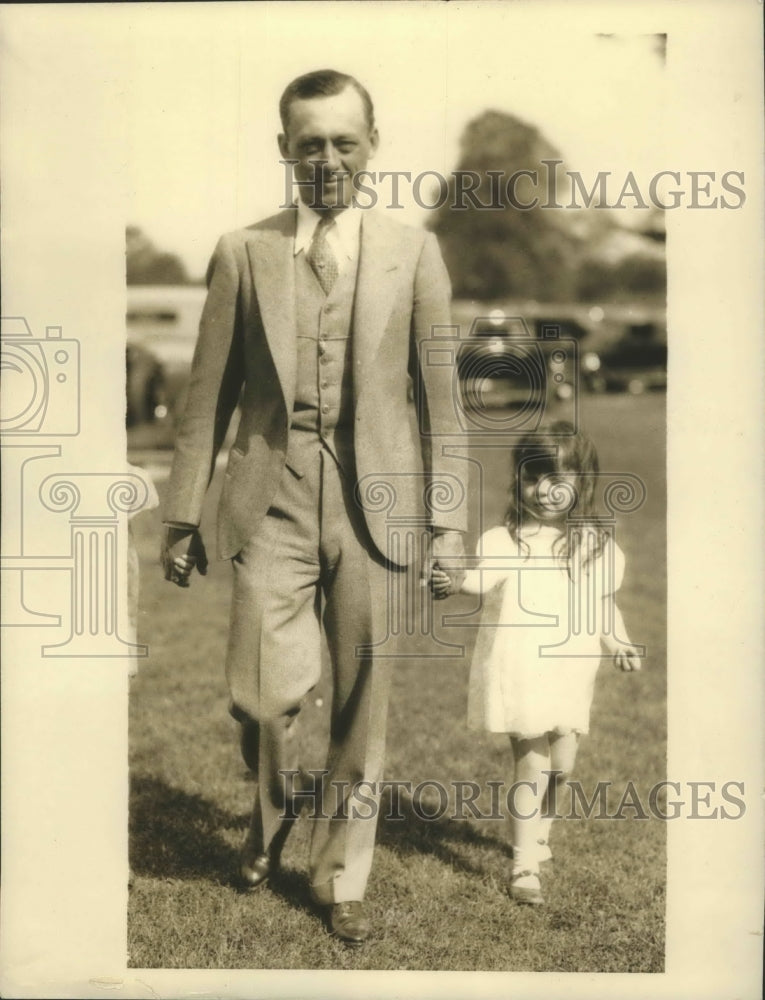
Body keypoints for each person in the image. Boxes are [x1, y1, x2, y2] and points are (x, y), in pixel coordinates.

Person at [160, 69, 466, 944]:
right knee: (259, 698)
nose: (326, 160)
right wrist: (182, 517)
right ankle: (268, 822)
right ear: (282, 149)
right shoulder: (241, 252)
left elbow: (440, 406)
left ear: (372, 145)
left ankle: (340, 877)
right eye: (308, 144)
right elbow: (203, 400)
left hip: (379, 508)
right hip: (269, 502)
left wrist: (444, 528)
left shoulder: (415, 253)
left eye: (344, 142)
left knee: (362, 699)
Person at [431, 422, 641, 906]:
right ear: (518, 481)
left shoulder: (594, 547)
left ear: (582, 484)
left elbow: (601, 605)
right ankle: (524, 865)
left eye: (560, 478)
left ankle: (539, 832)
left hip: (571, 669)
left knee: (562, 766)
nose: (546, 490)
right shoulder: (503, 540)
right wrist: (452, 581)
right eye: (534, 478)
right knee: (533, 764)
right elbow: (479, 583)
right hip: (519, 666)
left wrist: (619, 642)